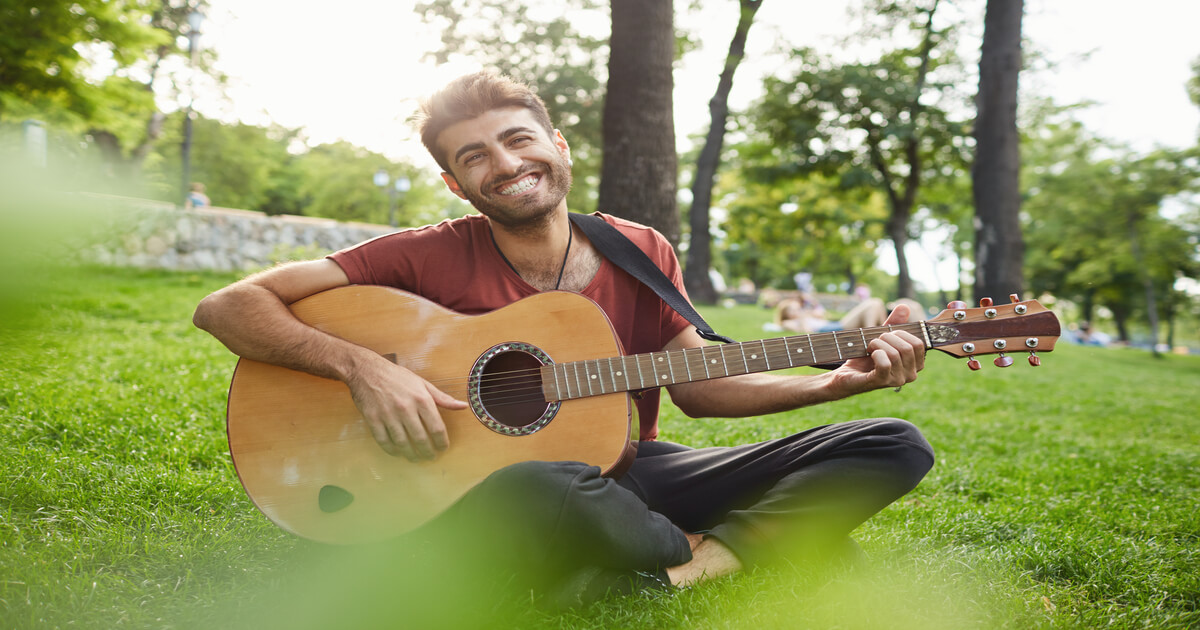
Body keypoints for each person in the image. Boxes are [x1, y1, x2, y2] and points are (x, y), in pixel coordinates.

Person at [193, 72, 933, 607]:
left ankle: (686, 564)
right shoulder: (422, 254)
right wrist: (362, 369)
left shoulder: (639, 250)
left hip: (619, 471)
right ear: (456, 183)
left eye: (518, 140)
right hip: (482, 496)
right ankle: (747, 541)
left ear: (559, 145)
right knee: (532, 483)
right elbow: (228, 306)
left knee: (892, 442)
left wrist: (839, 383)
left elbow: (700, 387)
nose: (507, 165)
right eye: (475, 156)